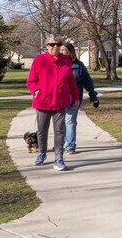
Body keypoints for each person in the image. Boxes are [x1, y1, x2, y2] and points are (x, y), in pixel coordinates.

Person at [26, 34, 79, 171]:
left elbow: (71, 81)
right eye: (52, 45)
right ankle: (42, 153)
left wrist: (76, 96)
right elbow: (31, 81)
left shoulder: (66, 60)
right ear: (47, 47)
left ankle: (59, 159)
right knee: (42, 131)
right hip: (43, 102)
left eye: (57, 45)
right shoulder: (39, 60)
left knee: (60, 131)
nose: (55, 47)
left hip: (60, 102)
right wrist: (36, 91)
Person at [59, 42, 99, 155]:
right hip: (59, 98)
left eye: (65, 50)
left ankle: (70, 145)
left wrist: (93, 96)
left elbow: (88, 82)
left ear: (70, 52)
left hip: (73, 97)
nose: (62, 52)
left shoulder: (79, 66)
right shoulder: (55, 64)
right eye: (60, 50)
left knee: (70, 121)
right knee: (60, 122)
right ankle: (60, 143)